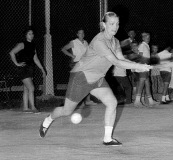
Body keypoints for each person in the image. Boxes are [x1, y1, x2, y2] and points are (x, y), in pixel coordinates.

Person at [39, 12, 152, 146]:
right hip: (81, 77)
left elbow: (121, 58)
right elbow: (116, 62)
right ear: (104, 25)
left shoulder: (115, 41)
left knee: (112, 103)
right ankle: (48, 119)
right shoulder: (99, 41)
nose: (115, 27)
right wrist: (139, 66)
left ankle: (107, 138)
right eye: (111, 24)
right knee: (67, 111)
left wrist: (138, 65)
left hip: (98, 78)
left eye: (117, 23)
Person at [9, 27, 46, 113]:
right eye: (29, 34)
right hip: (23, 69)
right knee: (31, 88)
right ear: (25, 35)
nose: (31, 35)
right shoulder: (22, 44)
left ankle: (25, 108)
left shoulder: (33, 45)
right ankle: (33, 107)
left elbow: (36, 59)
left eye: (32, 33)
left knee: (26, 89)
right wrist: (17, 63)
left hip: (30, 68)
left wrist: (42, 69)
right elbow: (12, 53)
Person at [61, 28, 97, 106]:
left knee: (87, 81)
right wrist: (71, 55)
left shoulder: (86, 43)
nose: (82, 34)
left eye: (83, 33)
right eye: (80, 33)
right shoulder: (74, 42)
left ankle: (87, 100)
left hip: (85, 64)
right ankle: (74, 101)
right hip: (77, 64)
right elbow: (63, 49)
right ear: (77, 34)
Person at [134, 32, 158, 107]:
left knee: (147, 83)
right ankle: (137, 101)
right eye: (146, 37)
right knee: (142, 82)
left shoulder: (147, 46)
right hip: (143, 67)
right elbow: (140, 56)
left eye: (149, 37)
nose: (148, 39)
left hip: (146, 67)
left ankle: (151, 101)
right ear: (143, 38)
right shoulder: (142, 45)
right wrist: (141, 65)